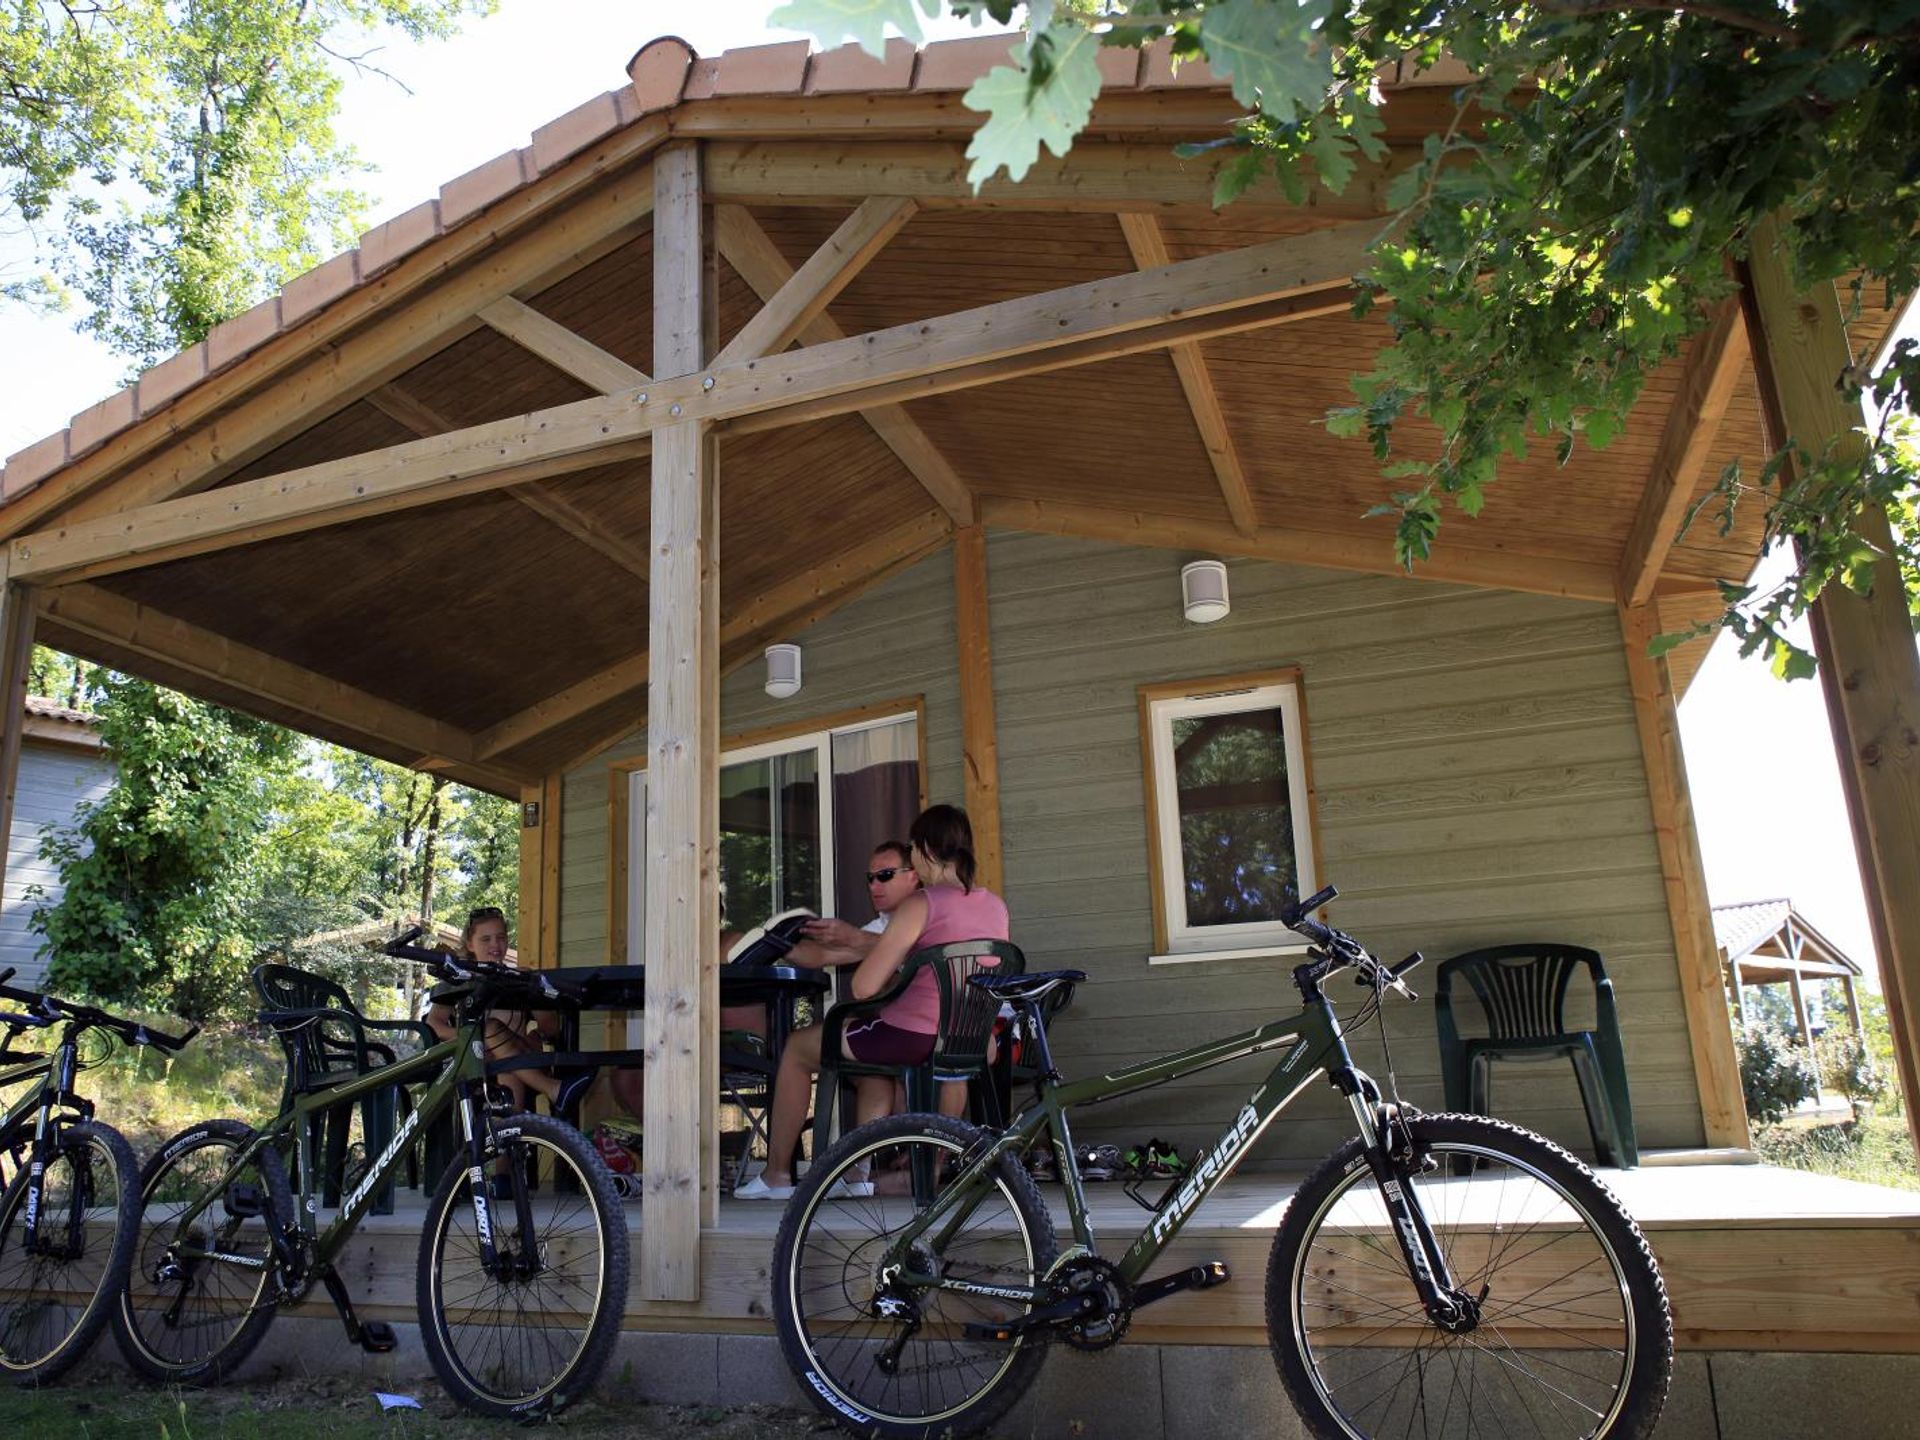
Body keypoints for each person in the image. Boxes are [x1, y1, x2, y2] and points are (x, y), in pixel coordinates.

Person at [735, 805, 1009, 1200]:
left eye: (913, 849)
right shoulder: (994, 905)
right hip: (969, 1034)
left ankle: (777, 1174)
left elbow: (864, 988)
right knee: (944, 1066)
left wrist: (881, 950)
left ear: (925, 850)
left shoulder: (921, 904)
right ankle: (929, 1167)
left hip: (910, 1034)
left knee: (797, 1048)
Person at [426, 907, 598, 1118]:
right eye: (486, 939)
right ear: (470, 944)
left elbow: (550, 1027)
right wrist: (475, 1039)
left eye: (500, 937)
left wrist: (532, 1036)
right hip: (476, 1060)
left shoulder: (520, 976)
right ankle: (550, 1093)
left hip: (518, 1056)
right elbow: (434, 1024)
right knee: (492, 1035)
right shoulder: (459, 978)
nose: (495, 945)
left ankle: (508, 1137)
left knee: (506, 1059)